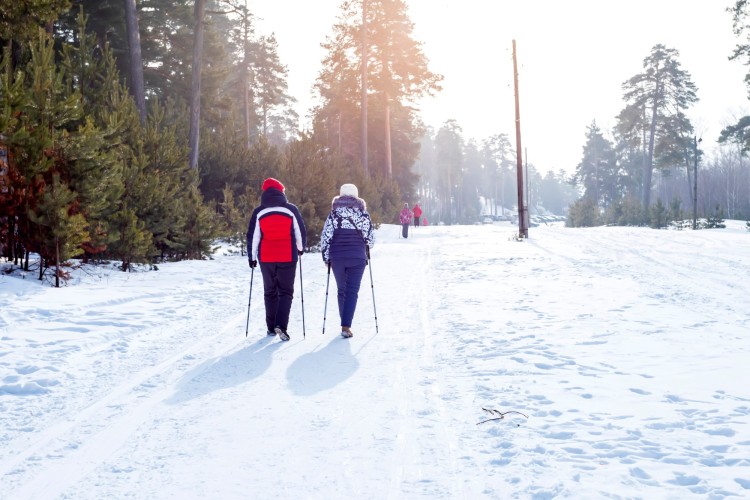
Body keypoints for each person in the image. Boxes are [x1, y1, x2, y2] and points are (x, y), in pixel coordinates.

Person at [247, 177, 307, 341]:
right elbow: (299, 231)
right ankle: (281, 325)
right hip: (287, 255)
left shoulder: (259, 212)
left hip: (266, 257)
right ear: (281, 191)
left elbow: (253, 237)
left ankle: (271, 328)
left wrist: (252, 257)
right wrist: (300, 249)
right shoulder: (291, 209)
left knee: (270, 291)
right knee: (286, 291)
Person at [319, 183, 374, 339]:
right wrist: (366, 248)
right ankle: (346, 326)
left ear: (340, 196)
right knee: (352, 291)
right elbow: (370, 238)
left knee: (341, 290)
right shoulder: (363, 215)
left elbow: (325, 238)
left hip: (337, 257)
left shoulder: (333, 215)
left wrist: (326, 258)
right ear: (356, 196)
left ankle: (344, 323)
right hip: (357, 257)